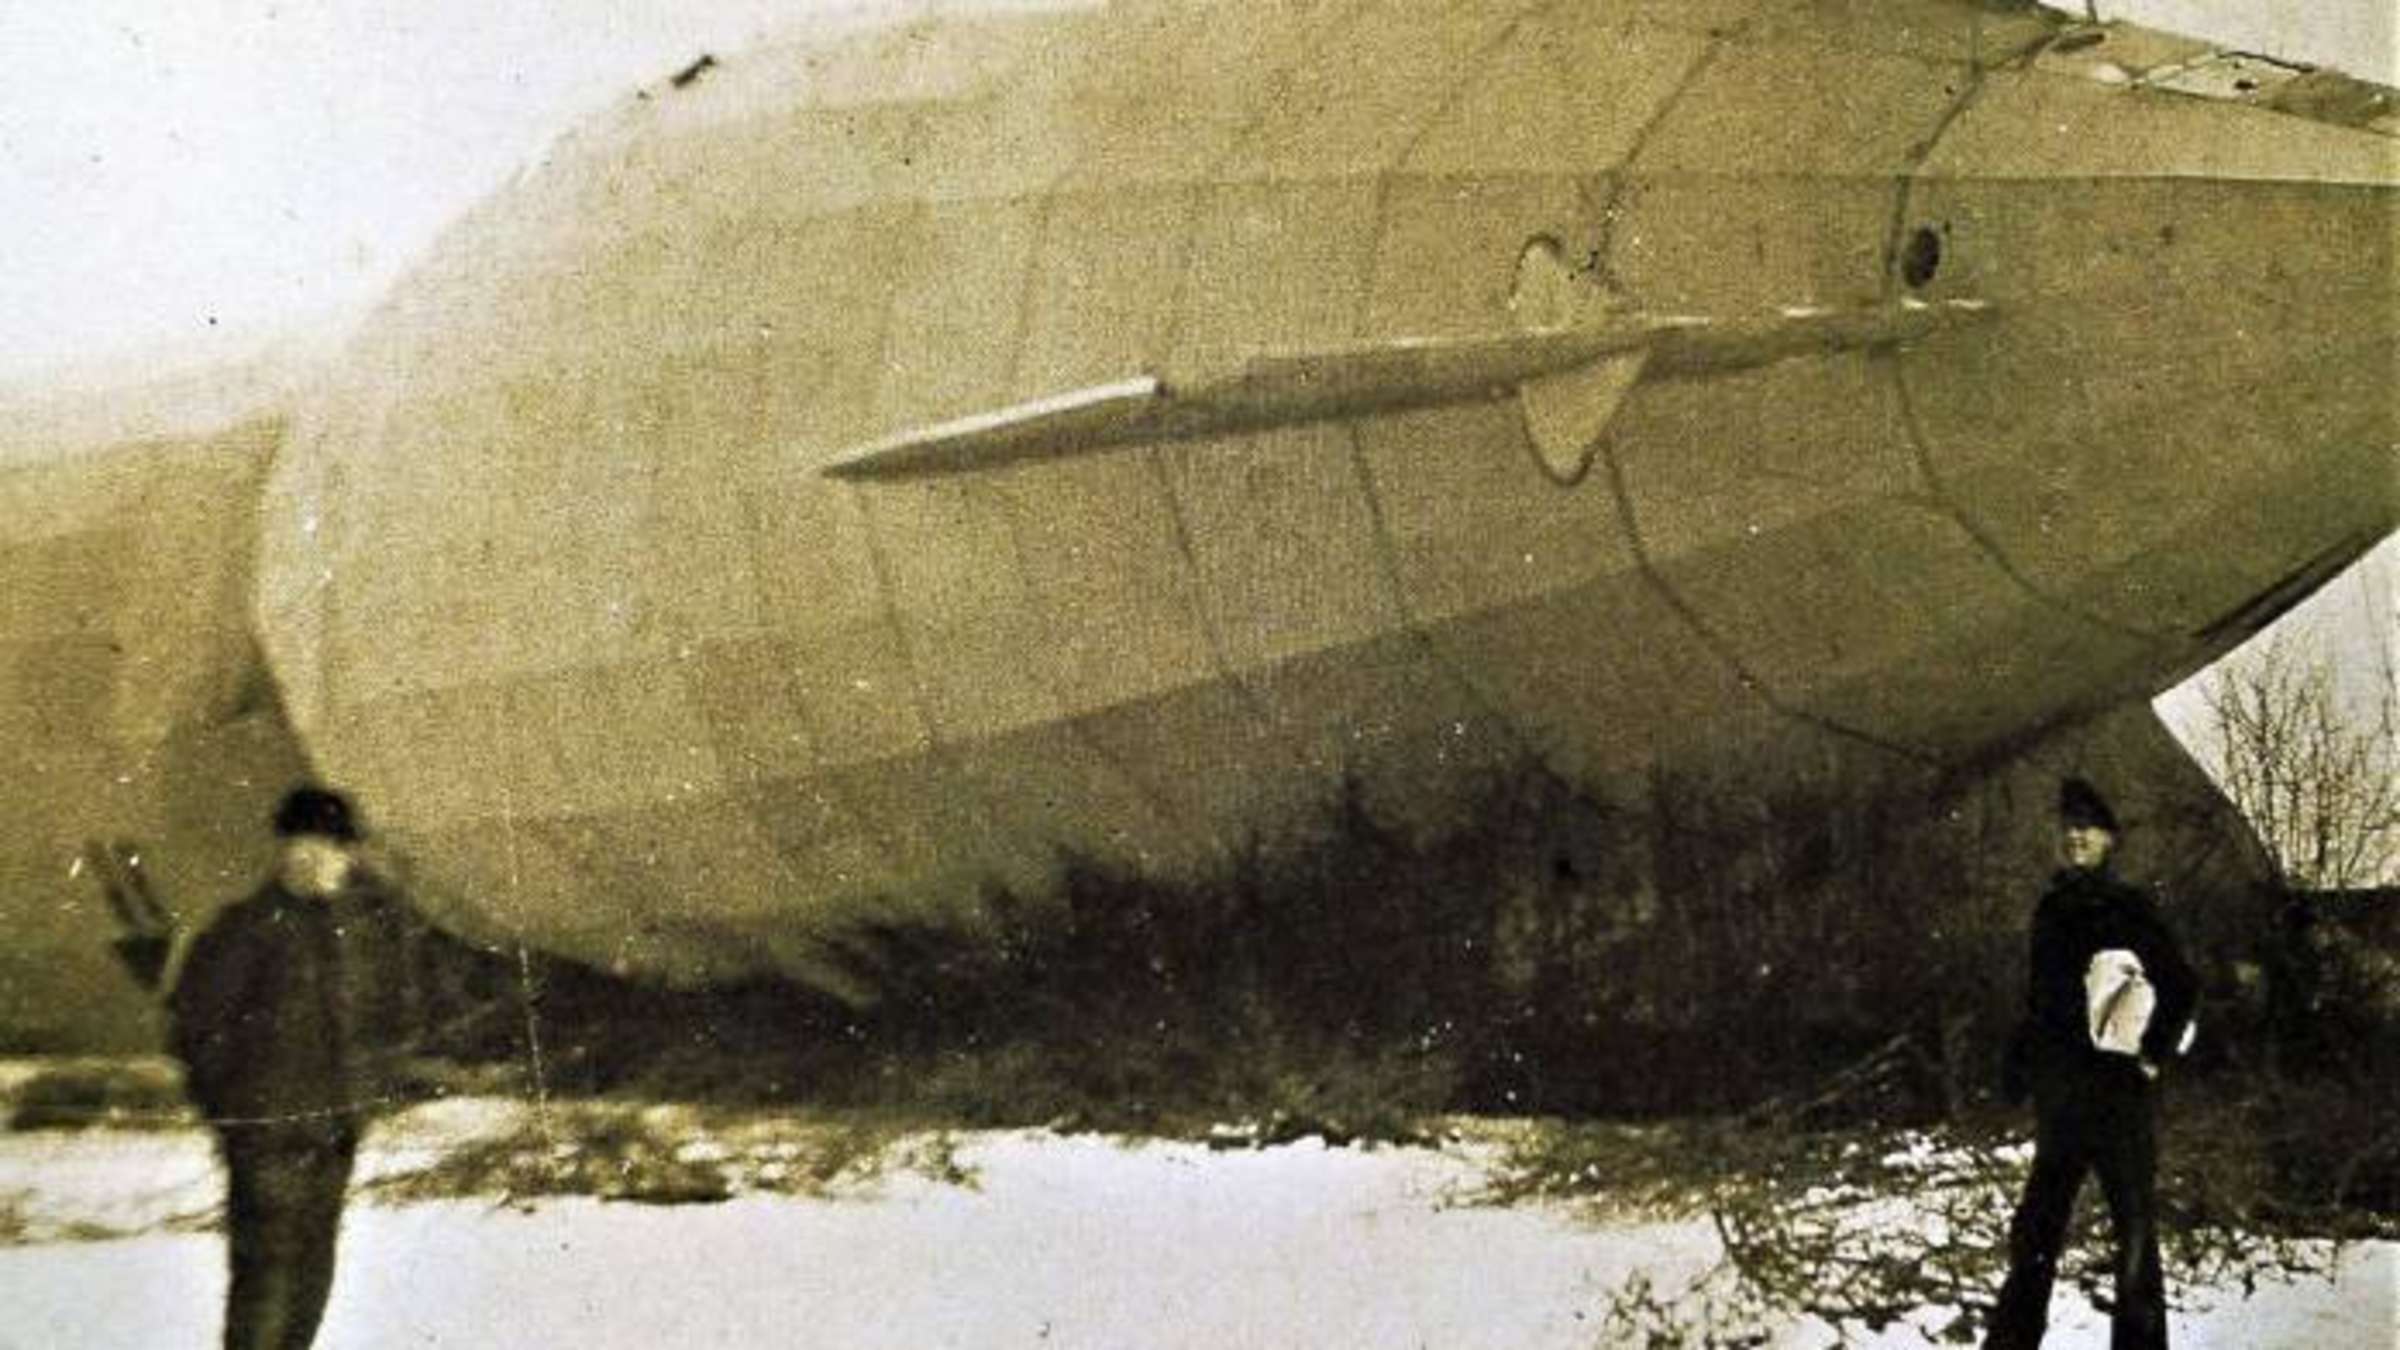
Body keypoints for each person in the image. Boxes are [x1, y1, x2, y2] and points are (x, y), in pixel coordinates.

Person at [97, 784, 415, 1350]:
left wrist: (364, 1098)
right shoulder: (244, 927)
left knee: (313, 1279)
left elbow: (374, 1022)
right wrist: (237, 1116)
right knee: (265, 1282)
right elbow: (195, 1025)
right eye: (311, 847)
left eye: (337, 850)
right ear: (287, 851)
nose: (326, 862)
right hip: (267, 1138)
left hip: (332, 1134)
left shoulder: (346, 934)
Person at [1985, 778, 2198, 1350]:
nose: (2076, 836)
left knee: (2133, 1234)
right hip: (2062, 1098)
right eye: (2069, 827)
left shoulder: (2128, 908)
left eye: (2089, 827)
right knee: (2035, 1231)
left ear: (2111, 839)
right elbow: (2040, 1003)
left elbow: (2180, 985)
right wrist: (2016, 1066)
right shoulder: (2052, 908)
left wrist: (2151, 1057)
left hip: (2117, 1096)